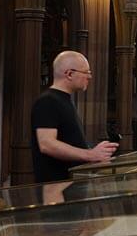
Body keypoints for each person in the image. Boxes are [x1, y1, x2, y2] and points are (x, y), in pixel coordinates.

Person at [31, 51, 118, 182]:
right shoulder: (48, 101)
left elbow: (68, 139)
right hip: (55, 187)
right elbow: (47, 144)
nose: (90, 77)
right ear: (70, 74)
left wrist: (92, 151)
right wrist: (90, 155)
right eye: (86, 72)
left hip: (71, 183)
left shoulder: (64, 100)